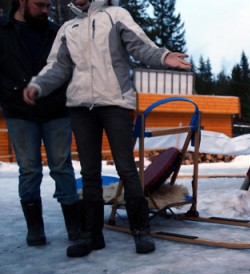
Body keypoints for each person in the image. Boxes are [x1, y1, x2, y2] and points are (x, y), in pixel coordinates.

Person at [23, 0, 192, 257]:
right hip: (80, 107)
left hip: (116, 104)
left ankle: (140, 232)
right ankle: (92, 236)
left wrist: (163, 55)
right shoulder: (68, 28)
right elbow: (57, 66)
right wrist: (39, 85)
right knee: (89, 172)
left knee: (126, 167)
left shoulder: (115, 16)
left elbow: (139, 45)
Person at [0, 0, 81, 247]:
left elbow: (66, 68)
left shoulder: (55, 31)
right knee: (29, 170)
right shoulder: (3, 31)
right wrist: (9, 94)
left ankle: (75, 228)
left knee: (62, 167)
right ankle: (35, 228)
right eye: (39, 5)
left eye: (48, 5)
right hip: (19, 112)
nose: (45, 10)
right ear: (22, 1)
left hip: (55, 110)